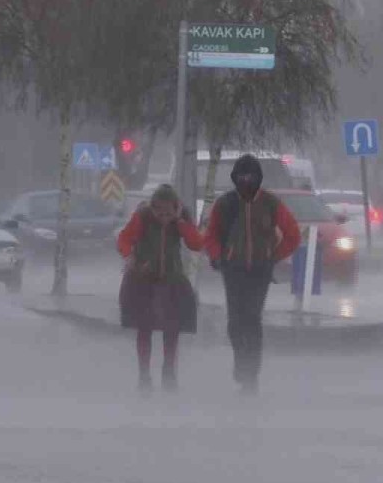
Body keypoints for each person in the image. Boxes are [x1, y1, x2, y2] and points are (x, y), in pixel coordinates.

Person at [203, 154, 301, 394]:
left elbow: (293, 235)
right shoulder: (225, 203)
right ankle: (241, 362)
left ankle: (251, 375)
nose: (246, 181)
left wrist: (273, 256)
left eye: (251, 176)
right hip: (233, 270)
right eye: (242, 176)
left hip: (260, 270)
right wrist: (217, 257)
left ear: (258, 178)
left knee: (252, 319)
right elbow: (211, 234)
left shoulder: (270, 203)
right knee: (235, 322)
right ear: (235, 178)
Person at [117, 184, 204, 393]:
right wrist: (129, 256)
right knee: (144, 328)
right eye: (159, 212)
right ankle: (144, 375)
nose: (164, 217)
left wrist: (181, 223)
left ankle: (168, 372)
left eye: (168, 213)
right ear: (152, 208)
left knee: (171, 329)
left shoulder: (182, 219)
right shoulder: (143, 217)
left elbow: (196, 244)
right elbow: (124, 238)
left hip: (172, 280)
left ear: (176, 208)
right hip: (143, 279)